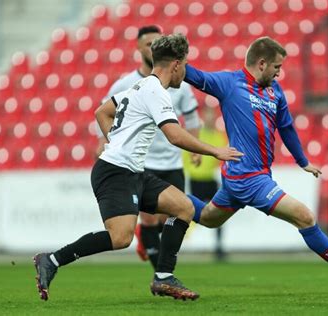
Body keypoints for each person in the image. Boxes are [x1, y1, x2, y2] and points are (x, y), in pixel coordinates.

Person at [33, 34, 243, 301]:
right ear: (177, 65)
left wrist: (116, 140)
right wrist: (216, 150)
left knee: (184, 207)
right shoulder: (157, 92)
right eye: (186, 66)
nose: (186, 73)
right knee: (121, 238)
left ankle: (163, 277)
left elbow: (101, 112)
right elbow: (175, 135)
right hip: (114, 172)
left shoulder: (140, 86)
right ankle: (51, 259)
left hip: (132, 171)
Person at [184, 36, 328, 286]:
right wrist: (171, 57)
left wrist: (302, 161)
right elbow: (196, 76)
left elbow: (286, 127)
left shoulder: (275, 92)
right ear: (262, 63)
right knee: (305, 217)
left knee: (209, 218)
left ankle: (166, 199)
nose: (279, 73)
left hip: (255, 175)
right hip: (247, 177)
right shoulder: (230, 83)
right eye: (277, 67)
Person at [96, 25, 202, 271]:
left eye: (156, 42)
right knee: (151, 216)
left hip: (172, 161)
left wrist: (195, 149)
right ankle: (162, 274)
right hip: (144, 162)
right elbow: (105, 112)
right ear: (140, 48)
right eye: (148, 43)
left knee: (172, 217)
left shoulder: (180, 85)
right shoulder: (127, 84)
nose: (151, 46)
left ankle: (153, 252)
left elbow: (192, 117)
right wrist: (108, 140)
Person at [183, 106, 227, 260]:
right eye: (208, 115)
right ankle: (182, 243)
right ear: (203, 117)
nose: (211, 119)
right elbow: (186, 154)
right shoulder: (197, 135)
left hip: (210, 180)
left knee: (220, 212)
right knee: (187, 213)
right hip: (196, 180)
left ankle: (219, 247)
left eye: (212, 116)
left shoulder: (219, 137)